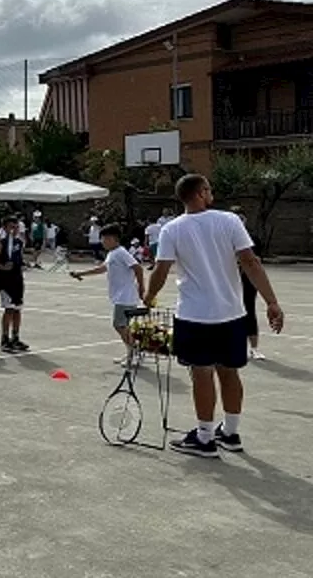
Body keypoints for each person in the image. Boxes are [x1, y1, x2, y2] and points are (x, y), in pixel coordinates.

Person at [145, 174, 284, 458]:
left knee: (202, 374)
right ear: (200, 193)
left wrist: (148, 298)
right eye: (208, 190)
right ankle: (230, 433)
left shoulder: (172, 229)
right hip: (232, 314)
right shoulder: (229, 221)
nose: (211, 194)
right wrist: (271, 301)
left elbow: (161, 270)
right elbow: (250, 261)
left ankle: (205, 437)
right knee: (229, 372)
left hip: (195, 315)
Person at [69, 223, 145, 366]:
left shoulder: (121, 252)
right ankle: (131, 353)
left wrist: (142, 288)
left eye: (104, 239)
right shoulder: (112, 254)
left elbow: (138, 268)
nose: (102, 242)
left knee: (119, 325)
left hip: (126, 297)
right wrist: (81, 274)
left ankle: (135, 354)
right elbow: (102, 268)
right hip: (120, 296)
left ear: (113, 239)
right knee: (123, 326)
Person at [231, 207, 265, 360]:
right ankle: (235, 345)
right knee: (231, 312)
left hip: (247, 280)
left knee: (249, 309)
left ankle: (254, 348)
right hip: (229, 280)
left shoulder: (252, 238)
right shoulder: (224, 238)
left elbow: (255, 261)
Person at [0, 216, 29, 353]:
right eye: (11, 227)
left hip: (18, 279)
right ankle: (4, 338)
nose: (13, 230)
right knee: (9, 309)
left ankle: (16, 337)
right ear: (5, 228)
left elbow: (20, 258)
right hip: (6, 280)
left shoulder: (19, 242)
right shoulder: (1, 243)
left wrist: (23, 265)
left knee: (18, 308)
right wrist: (3, 267)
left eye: (16, 227)